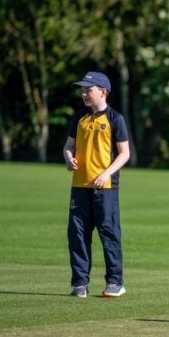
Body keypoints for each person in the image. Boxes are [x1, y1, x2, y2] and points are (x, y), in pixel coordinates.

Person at [62, 71, 130, 298]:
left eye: (87, 90)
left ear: (103, 91)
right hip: (79, 185)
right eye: (82, 90)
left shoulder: (115, 118)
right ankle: (79, 285)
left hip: (105, 187)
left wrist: (106, 173)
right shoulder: (79, 117)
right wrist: (68, 157)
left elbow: (124, 153)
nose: (83, 94)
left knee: (109, 234)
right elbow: (68, 146)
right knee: (77, 235)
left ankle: (115, 282)